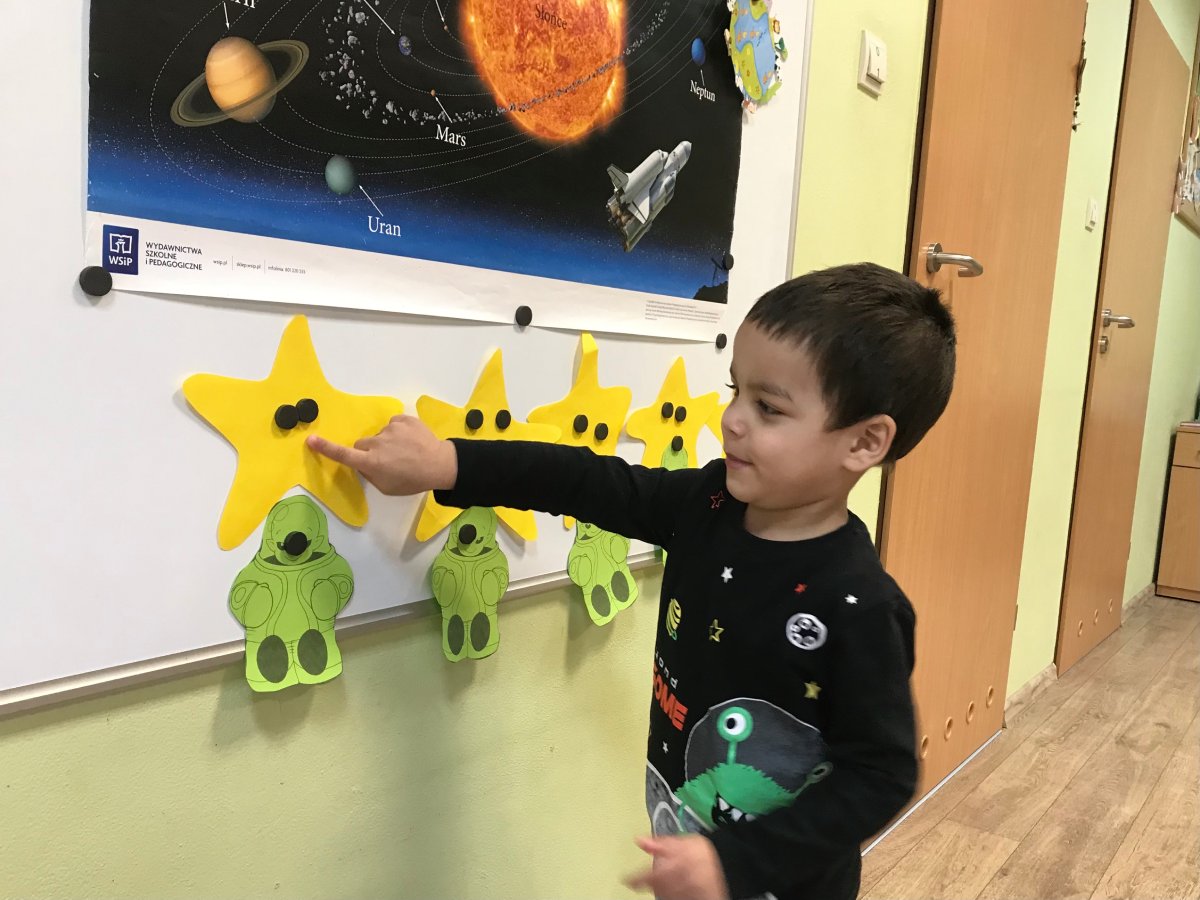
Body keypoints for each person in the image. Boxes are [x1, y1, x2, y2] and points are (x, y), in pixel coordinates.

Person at [306, 262, 956, 900]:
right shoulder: (707, 505)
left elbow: (882, 773)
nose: (732, 419)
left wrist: (736, 863)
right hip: (691, 847)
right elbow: (588, 482)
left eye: (767, 407)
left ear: (865, 443)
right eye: (734, 390)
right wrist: (450, 462)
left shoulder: (858, 605)